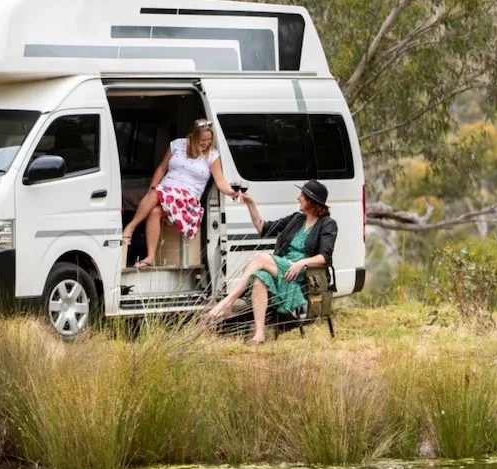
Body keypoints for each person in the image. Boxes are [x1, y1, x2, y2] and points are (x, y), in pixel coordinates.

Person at [207, 180, 338, 344]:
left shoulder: (327, 224)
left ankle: (227, 302)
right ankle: (259, 335)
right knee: (259, 278)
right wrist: (250, 203)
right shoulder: (297, 219)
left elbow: (324, 257)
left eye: (302, 196)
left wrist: (301, 264)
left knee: (261, 257)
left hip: (301, 277)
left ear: (311, 201)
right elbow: (263, 228)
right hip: (283, 270)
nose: (298, 198)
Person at [122, 118, 237, 268]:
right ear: (193, 136)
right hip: (166, 192)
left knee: (157, 192)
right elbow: (162, 169)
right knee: (155, 211)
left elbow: (220, 181)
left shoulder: (213, 156)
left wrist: (232, 192)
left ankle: (130, 227)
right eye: (203, 140)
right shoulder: (177, 144)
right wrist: (152, 188)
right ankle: (150, 257)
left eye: (209, 140)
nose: (206, 143)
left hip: (187, 200)